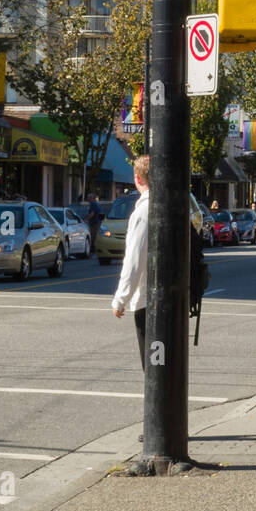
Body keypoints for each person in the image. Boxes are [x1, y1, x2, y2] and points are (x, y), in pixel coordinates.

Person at [111, 155, 149, 370]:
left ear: (137, 178)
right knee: (164, 366)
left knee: (154, 368)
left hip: (147, 301)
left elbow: (135, 259)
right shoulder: (170, 204)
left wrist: (120, 299)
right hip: (173, 300)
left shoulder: (143, 210)